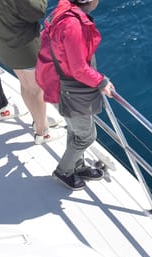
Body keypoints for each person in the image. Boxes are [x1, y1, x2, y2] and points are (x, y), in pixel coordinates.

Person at [37, 0, 114, 191]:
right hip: (67, 90)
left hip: (55, 82)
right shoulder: (72, 25)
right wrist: (101, 82)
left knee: (75, 130)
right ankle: (64, 172)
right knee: (87, 136)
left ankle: (77, 166)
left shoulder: (63, 10)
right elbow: (79, 69)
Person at [0, 0, 64, 144]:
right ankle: (43, 132)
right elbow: (37, 10)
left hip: (3, 43)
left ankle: (38, 119)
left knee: (25, 84)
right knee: (36, 89)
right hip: (24, 46)